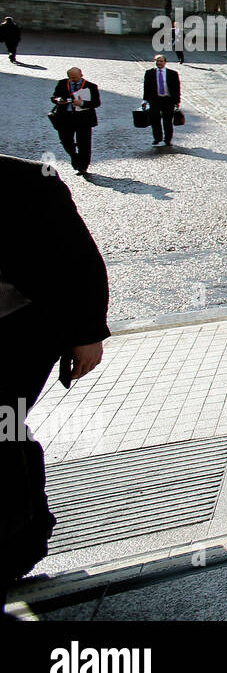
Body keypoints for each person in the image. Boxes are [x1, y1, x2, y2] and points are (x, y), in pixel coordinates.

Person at [1, 155, 108, 607]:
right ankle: (25, 527)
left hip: (20, 330)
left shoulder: (28, 180)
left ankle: (18, 536)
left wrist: (87, 334)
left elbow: (80, 258)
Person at [50, 67, 101, 176]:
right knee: (65, 141)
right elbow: (54, 97)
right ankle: (74, 156)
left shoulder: (91, 86)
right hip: (65, 118)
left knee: (84, 144)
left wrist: (82, 103)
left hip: (83, 119)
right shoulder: (62, 83)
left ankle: (83, 167)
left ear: (81, 75)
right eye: (70, 77)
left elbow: (96, 103)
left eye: (75, 78)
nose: (72, 79)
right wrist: (58, 100)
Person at [143, 54, 181, 147]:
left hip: (168, 100)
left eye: (161, 61)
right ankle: (157, 138)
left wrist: (177, 101)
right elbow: (146, 87)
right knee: (155, 120)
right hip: (155, 100)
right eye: (157, 61)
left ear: (165, 62)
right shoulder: (149, 73)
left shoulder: (172, 74)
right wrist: (145, 100)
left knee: (167, 121)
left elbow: (177, 88)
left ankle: (168, 139)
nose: (159, 63)